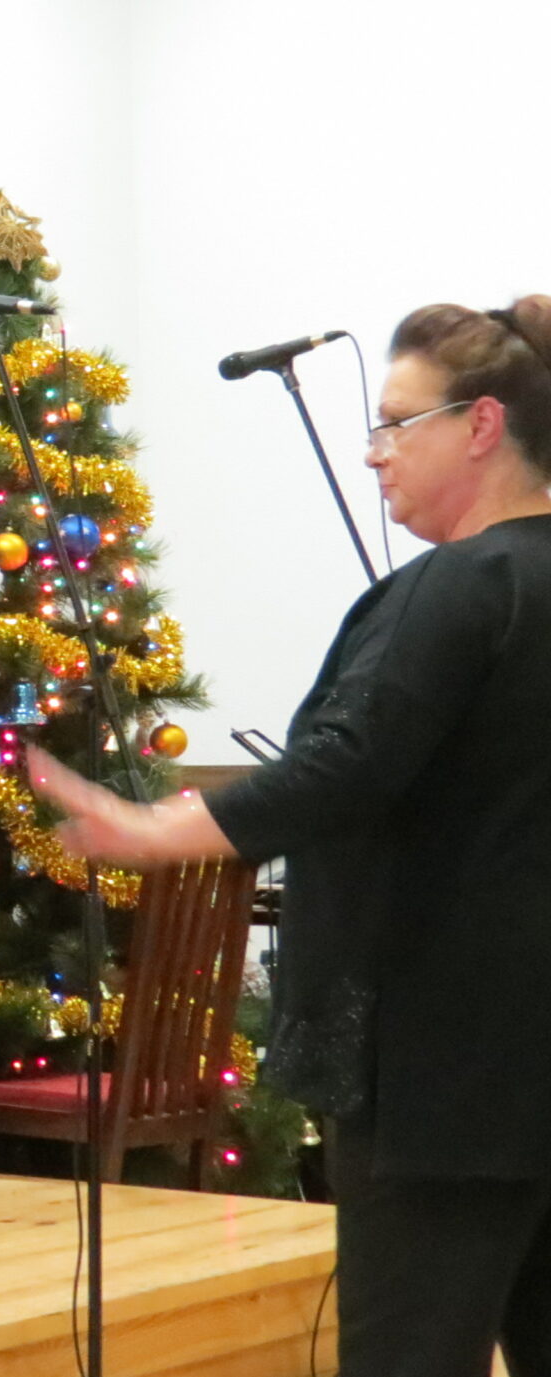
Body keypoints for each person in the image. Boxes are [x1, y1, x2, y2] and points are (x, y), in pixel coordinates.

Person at [33, 298, 551, 1377]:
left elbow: (345, 764)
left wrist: (158, 828)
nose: (374, 451)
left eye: (396, 422)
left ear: (482, 424)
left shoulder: (462, 585)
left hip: (444, 1073)